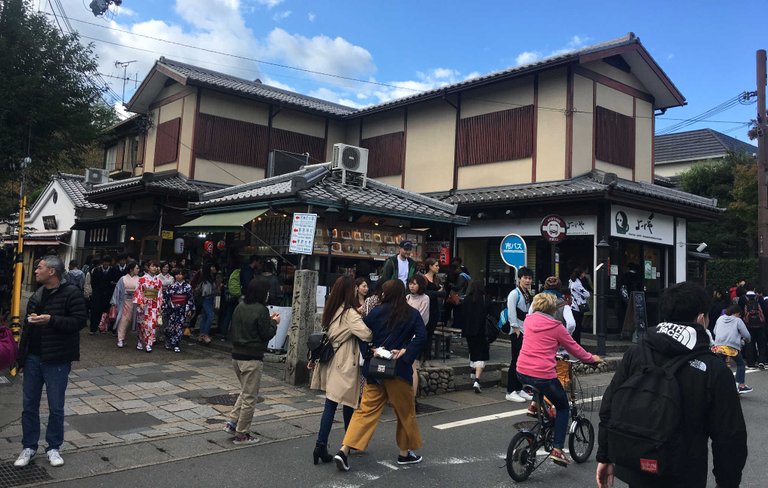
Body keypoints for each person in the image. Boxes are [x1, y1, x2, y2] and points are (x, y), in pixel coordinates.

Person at [596, 281, 747, 488]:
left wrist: (604, 457)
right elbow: (729, 438)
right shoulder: (714, 368)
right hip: (684, 474)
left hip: (636, 468)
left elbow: (609, 405)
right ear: (701, 318)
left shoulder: (637, 352)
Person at [334, 279, 426, 472]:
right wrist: (406, 352)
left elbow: (362, 334)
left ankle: (344, 450)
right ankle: (404, 453)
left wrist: (370, 352)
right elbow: (422, 336)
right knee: (405, 412)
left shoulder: (375, 312)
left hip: (376, 370)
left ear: (386, 294)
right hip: (398, 370)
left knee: (365, 411)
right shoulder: (411, 314)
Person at [14, 255, 87, 468]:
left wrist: (51, 319)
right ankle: (29, 446)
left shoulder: (71, 293)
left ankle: (53, 447)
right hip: (33, 358)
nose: (36, 270)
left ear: (52, 272)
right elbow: (27, 329)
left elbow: (79, 321)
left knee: (56, 407)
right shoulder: (37, 295)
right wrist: (21, 357)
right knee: (29, 405)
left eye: (40, 267)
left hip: (57, 359)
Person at [517, 293, 601, 467]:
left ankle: (535, 405)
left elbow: (537, 343)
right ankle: (557, 449)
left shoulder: (528, 320)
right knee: (563, 407)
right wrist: (591, 359)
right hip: (542, 375)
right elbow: (574, 348)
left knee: (539, 387)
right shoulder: (556, 327)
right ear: (554, 309)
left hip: (521, 371)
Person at [309, 276, 373, 464]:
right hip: (345, 360)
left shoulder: (332, 309)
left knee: (336, 402)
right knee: (344, 403)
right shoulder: (349, 313)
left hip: (333, 359)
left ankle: (325, 445)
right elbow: (367, 334)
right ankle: (343, 443)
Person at [223, 278, 278, 444]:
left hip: (236, 356)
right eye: (267, 291)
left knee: (245, 391)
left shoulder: (240, 306)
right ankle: (242, 433)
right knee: (250, 397)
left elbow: (233, 328)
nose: (269, 294)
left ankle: (232, 422)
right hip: (252, 358)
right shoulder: (261, 309)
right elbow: (265, 333)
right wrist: (274, 323)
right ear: (262, 292)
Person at [505, 267, 534, 403]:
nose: (528, 280)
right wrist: (515, 328)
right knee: (515, 360)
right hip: (517, 332)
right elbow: (511, 312)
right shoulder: (514, 294)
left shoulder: (526, 293)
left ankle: (519, 388)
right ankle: (510, 391)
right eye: (525, 278)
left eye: (529, 278)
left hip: (525, 331)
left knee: (522, 362)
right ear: (519, 279)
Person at [458, 280, 490, 394]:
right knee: (481, 354)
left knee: (472, 350)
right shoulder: (485, 300)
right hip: (481, 331)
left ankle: (472, 372)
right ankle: (477, 380)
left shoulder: (466, 299)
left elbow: (462, 315)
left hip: (468, 330)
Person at [712, 304, 752, 394]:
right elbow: (746, 335)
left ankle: (719, 386)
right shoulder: (738, 320)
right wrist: (747, 340)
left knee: (721, 367)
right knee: (740, 364)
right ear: (737, 313)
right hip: (731, 347)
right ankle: (740, 385)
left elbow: (715, 331)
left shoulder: (720, 318)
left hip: (718, 346)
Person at [406, 274, 429, 404]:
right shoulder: (407, 297)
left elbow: (422, 318)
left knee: (412, 365)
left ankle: (413, 397)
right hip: (404, 334)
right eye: (410, 283)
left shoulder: (425, 299)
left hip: (415, 335)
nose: (412, 286)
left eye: (414, 284)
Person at [133, 260, 163, 352]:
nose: (154, 268)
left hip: (153, 305)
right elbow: (138, 291)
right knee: (142, 324)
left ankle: (149, 343)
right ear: (148, 267)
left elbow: (160, 294)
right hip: (144, 304)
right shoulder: (142, 279)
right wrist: (140, 302)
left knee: (151, 325)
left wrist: (159, 305)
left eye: (156, 266)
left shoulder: (158, 281)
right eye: (152, 266)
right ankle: (140, 341)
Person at [162, 268, 195, 353]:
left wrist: (189, 309)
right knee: (170, 326)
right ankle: (169, 341)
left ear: (184, 275)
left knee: (179, 327)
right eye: (176, 274)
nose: (178, 276)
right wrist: (167, 306)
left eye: (180, 274)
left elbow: (190, 298)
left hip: (182, 309)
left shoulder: (188, 286)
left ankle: (176, 344)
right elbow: (167, 298)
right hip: (172, 309)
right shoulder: (171, 286)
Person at [421, 258, 445, 362]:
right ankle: (421, 356)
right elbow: (425, 293)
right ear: (430, 266)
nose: (438, 267)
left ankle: (427, 357)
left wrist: (438, 293)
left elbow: (443, 293)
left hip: (435, 308)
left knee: (430, 333)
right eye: (436, 265)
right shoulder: (423, 279)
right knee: (423, 332)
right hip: (425, 307)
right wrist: (437, 293)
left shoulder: (437, 279)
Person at [111, 262, 140, 349]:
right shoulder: (122, 279)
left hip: (134, 302)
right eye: (136, 268)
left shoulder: (139, 279)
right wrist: (114, 302)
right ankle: (120, 338)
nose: (138, 270)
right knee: (123, 320)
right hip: (124, 302)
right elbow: (117, 290)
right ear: (131, 269)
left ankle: (125, 338)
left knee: (130, 322)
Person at [739, 287, 768, 368]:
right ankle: (762, 360)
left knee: (749, 343)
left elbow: (740, 312)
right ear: (754, 289)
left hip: (748, 325)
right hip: (760, 325)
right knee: (761, 343)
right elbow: (765, 311)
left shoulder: (742, 299)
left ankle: (751, 362)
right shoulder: (760, 298)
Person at [88, 256, 114, 335]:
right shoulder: (97, 270)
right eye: (104, 261)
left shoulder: (112, 270)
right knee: (95, 312)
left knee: (106, 312)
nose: (106, 263)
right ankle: (93, 328)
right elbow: (93, 282)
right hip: (97, 294)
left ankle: (104, 328)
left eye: (107, 262)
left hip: (108, 295)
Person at [197, 264, 220, 345]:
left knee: (205, 317)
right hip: (207, 299)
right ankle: (205, 335)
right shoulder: (207, 280)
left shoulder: (208, 278)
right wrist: (216, 290)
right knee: (210, 316)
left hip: (207, 299)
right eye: (212, 267)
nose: (214, 268)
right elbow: (206, 292)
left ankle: (201, 334)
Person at [568, 267, 590, 344]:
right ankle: (577, 343)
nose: (584, 274)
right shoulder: (577, 284)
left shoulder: (571, 281)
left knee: (576, 327)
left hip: (574, 306)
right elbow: (587, 294)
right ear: (580, 274)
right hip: (578, 307)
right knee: (577, 327)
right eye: (583, 273)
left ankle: (576, 342)